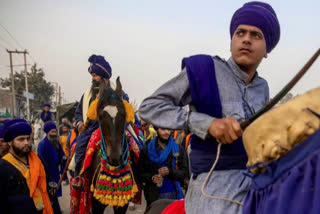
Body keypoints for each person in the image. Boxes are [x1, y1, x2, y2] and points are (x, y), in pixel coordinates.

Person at [138, 1, 280, 213]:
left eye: (256, 35)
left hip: (255, 182)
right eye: (240, 33)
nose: (246, 39)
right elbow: (149, 107)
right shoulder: (205, 69)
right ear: (232, 39)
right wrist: (206, 123)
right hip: (213, 189)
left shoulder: (263, 88)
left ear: (267, 49)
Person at [74, 54, 128, 178]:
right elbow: (78, 113)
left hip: (117, 128)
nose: (92, 79)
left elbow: (127, 111)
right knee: (80, 148)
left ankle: (140, 179)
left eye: (95, 76)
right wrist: (79, 123)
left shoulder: (120, 94)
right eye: (92, 76)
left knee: (137, 146)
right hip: (92, 128)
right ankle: (79, 178)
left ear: (104, 78)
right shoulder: (87, 95)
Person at [0, 119, 53, 214]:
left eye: (28, 138)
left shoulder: (38, 161)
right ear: (10, 142)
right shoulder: (3, 167)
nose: (26, 143)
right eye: (21, 139)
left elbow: (47, 191)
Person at [138, 127, 188, 207]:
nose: (166, 132)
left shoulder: (178, 149)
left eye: (168, 129)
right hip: (153, 197)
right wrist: (152, 178)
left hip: (173, 196)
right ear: (157, 129)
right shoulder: (147, 149)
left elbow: (185, 173)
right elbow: (140, 174)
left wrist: (170, 172)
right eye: (163, 129)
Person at [37, 122, 65, 214]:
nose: (54, 134)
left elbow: (62, 155)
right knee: (49, 193)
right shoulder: (42, 144)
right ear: (47, 132)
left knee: (54, 193)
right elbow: (40, 161)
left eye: (55, 131)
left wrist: (65, 161)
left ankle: (55, 209)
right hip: (47, 174)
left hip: (55, 172)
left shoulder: (56, 142)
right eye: (52, 132)